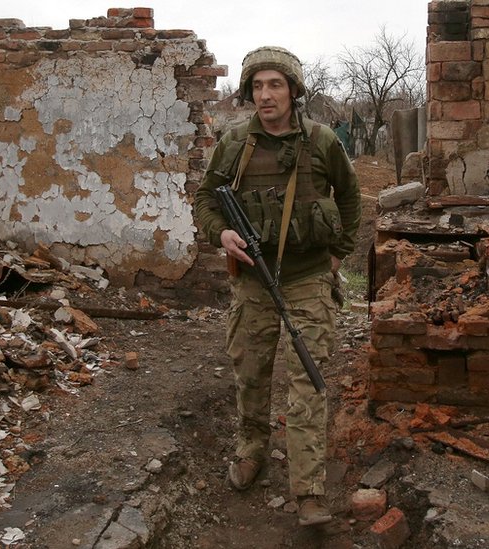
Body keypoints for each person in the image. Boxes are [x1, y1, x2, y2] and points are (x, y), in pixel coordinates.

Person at [193, 46, 360, 527]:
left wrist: (336, 254)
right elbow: (206, 198)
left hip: (308, 277)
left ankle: (308, 489)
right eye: (258, 86)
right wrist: (220, 233)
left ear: (292, 90)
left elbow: (349, 200)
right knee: (251, 370)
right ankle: (252, 451)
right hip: (252, 279)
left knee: (308, 378)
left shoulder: (324, 142)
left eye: (275, 85)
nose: (266, 95)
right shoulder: (234, 144)